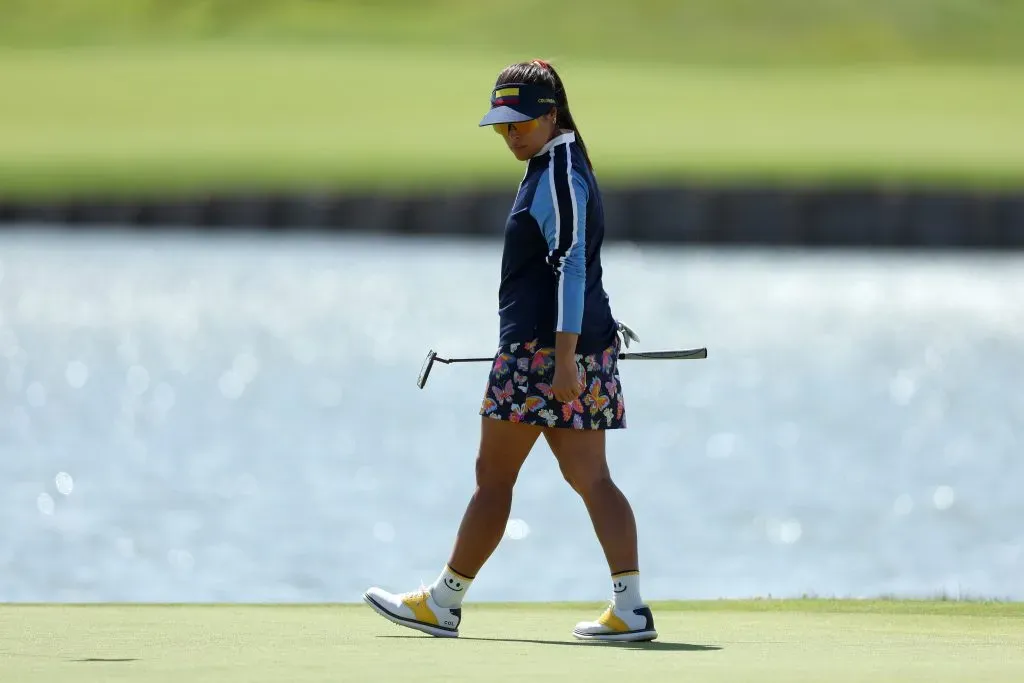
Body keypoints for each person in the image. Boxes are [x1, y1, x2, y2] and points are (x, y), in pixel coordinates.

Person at [363, 59, 656, 642]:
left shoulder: (558, 172)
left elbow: (572, 262)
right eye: (502, 126)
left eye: (520, 123)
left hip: (544, 356)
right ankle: (630, 609)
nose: (510, 135)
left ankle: (443, 603)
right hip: (564, 352)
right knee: (591, 478)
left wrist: (567, 356)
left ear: (551, 115)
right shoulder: (555, 163)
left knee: (495, 476)